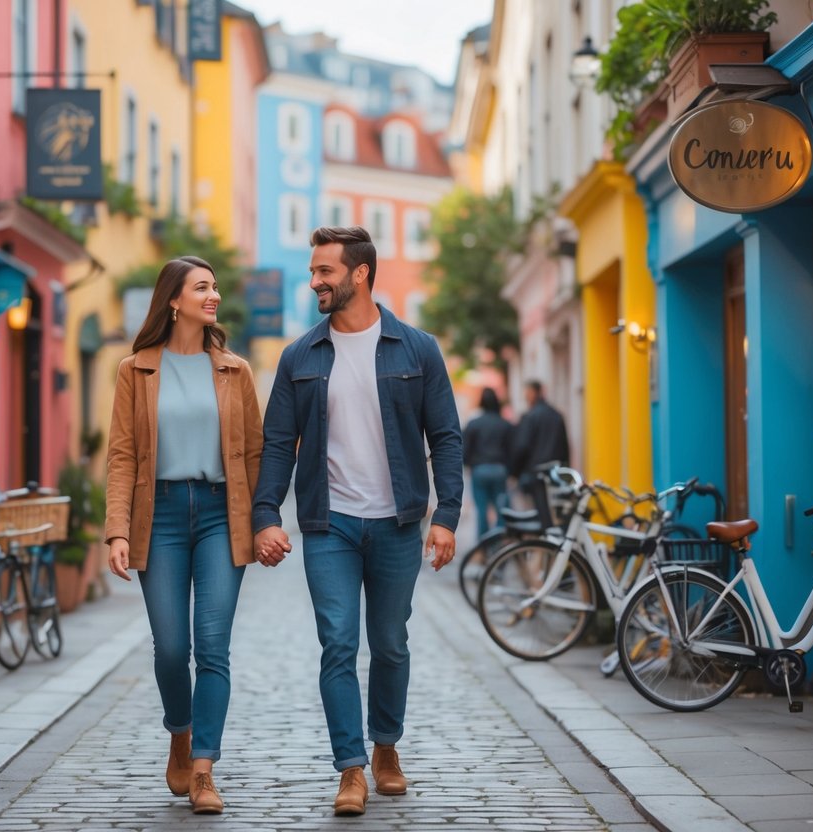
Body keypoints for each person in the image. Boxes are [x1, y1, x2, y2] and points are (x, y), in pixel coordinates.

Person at [252, 226, 463, 816]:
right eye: (314, 271)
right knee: (338, 643)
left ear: (360, 273)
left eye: (325, 272)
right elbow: (276, 444)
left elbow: (445, 437)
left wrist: (445, 515)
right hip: (329, 524)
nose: (314, 281)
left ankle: (386, 747)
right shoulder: (300, 357)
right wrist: (266, 513)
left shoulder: (416, 349)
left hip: (396, 522)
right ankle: (351, 768)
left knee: (390, 644)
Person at [104, 255, 263, 815]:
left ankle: (203, 770)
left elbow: (256, 453)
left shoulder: (235, 371)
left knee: (212, 648)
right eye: (202, 287)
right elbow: (122, 455)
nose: (213, 295)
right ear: (174, 299)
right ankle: (180, 729)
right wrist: (117, 531)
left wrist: (263, 521)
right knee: (172, 648)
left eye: (215, 286)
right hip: (161, 515)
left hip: (221, 514)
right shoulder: (135, 370)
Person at [462, 387, 513, 540]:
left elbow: (464, 449)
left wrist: (469, 464)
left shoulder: (474, 424)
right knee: (501, 508)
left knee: (482, 509)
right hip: (500, 469)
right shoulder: (504, 424)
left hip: (480, 470)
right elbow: (512, 449)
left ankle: (483, 546)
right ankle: (500, 543)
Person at [509, 380, 570, 496]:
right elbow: (564, 445)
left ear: (533, 393)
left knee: (539, 509)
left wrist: (515, 473)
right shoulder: (556, 415)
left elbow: (522, 446)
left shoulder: (529, 417)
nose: (526, 398)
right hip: (555, 471)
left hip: (535, 472)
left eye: (527, 394)